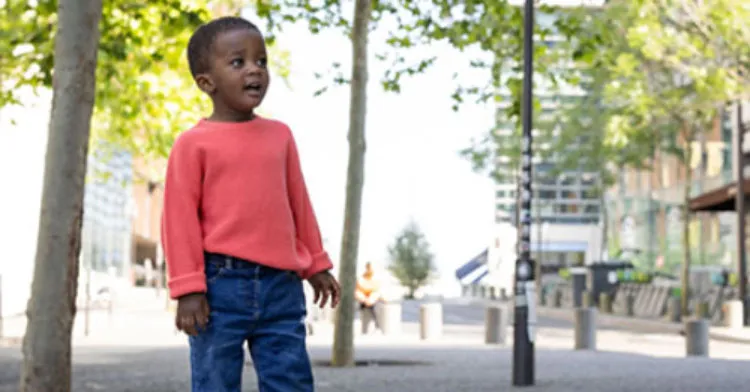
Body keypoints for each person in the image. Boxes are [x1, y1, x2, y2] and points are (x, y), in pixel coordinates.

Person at [161, 16, 340, 392]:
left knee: (290, 382)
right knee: (214, 383)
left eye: (261, 61)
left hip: (282, 287)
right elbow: (179, 222)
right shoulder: (193, 144)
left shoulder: (280, 136)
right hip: (218, 286)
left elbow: (298, 203)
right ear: (206, 82)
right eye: (238, 62)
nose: (255, 70)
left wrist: (317, 263)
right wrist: (188, 289)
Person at [355, 262, 382, 334]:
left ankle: (376, 325)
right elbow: (359, 288)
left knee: (372, 301)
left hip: (371, 298)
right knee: (363, 300)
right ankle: (376, 325)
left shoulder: (375, 277)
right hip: (364, 297)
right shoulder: (362, 277)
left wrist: (369, 296)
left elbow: (376, 288)